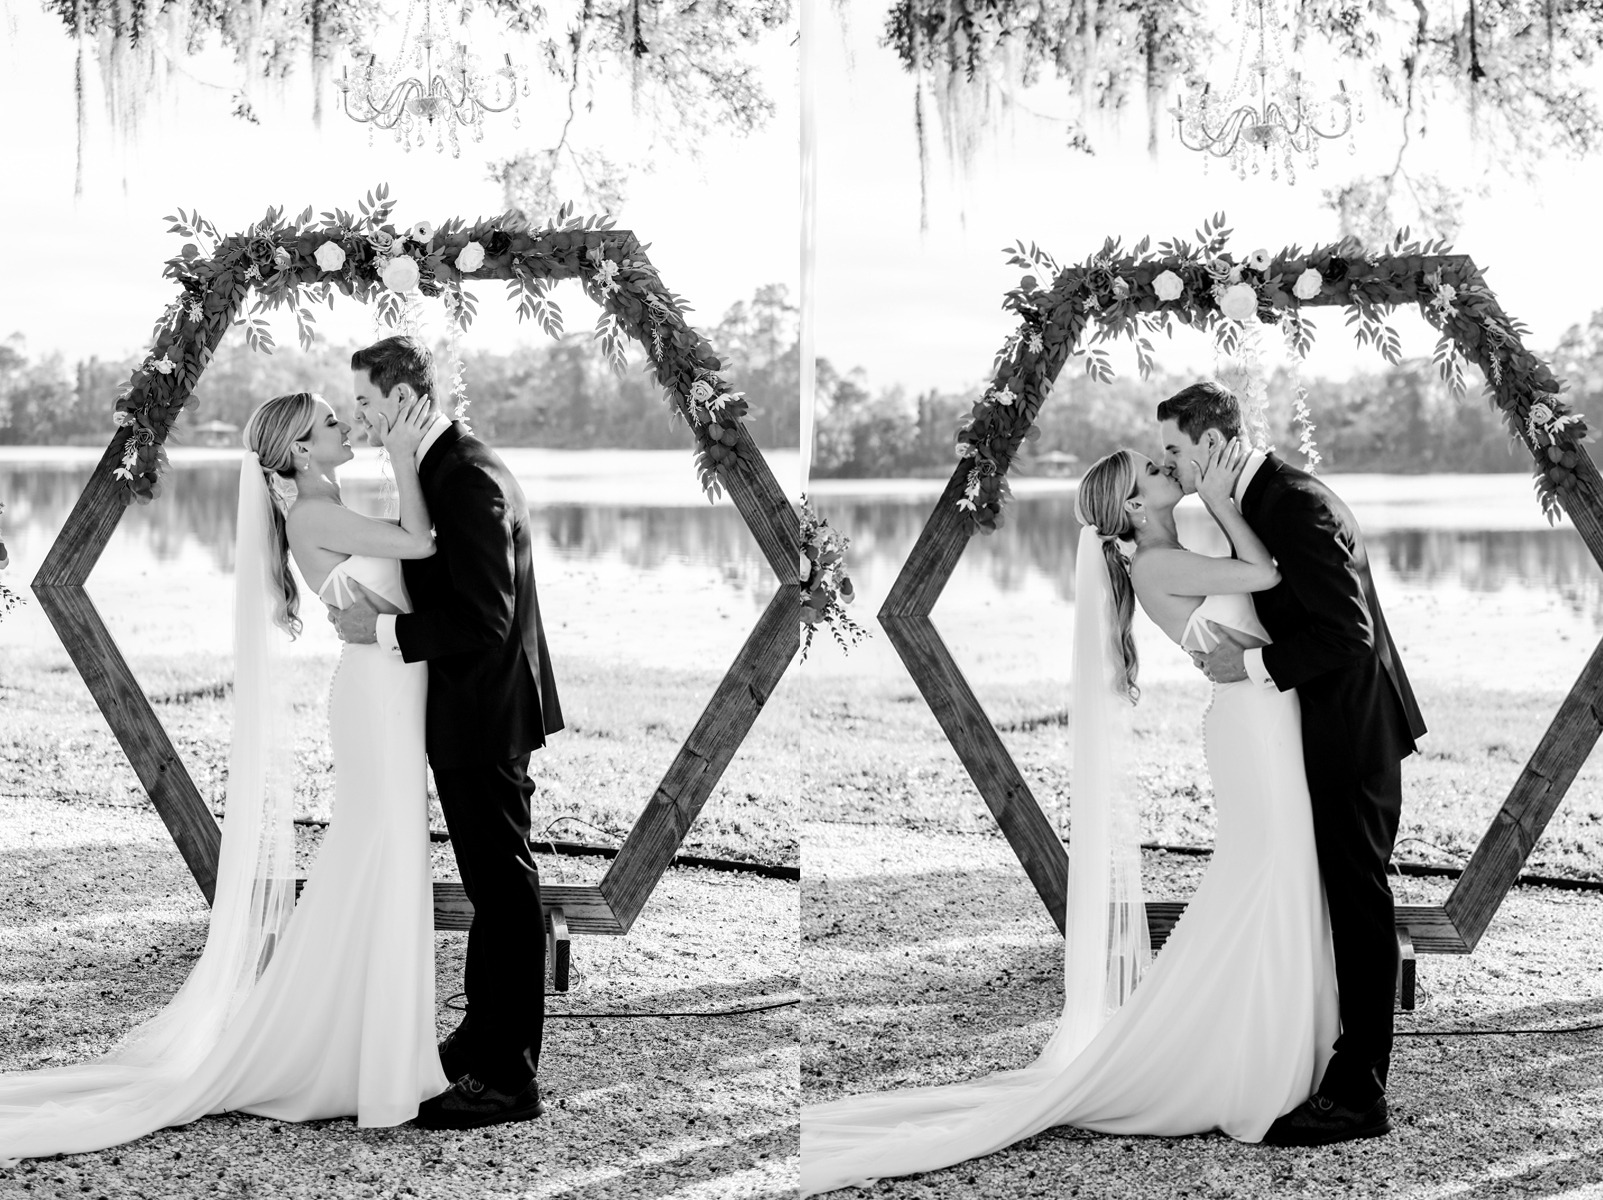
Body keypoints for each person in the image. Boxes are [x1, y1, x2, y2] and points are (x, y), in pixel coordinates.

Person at [801, 434, 1342, 1195]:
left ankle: (1275, 1042)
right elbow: (1262, 572)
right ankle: (1248, 1057)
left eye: (1160, 462)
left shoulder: (1176, 543)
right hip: (1252, 724)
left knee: (1276, 873)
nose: (1164, 471)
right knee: (1270, 870)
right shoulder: (1155, 562)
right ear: (1128, 506)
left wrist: (1223, 500)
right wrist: (1222, 501)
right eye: (1151, 472)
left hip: (1265, 714)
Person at [0, 389, 448, 1160]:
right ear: (301, 452)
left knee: (387, 855)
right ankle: (349, 1054)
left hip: (391, 688)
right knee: (375, 852)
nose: (345, 427)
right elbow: (420, 541)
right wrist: (407, 457)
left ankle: (369, 1047)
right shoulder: (313, 513)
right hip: (376, 697)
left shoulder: (328, 497)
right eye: (331, 424)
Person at [1164, 381, 1426, 1144]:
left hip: (1352, 734)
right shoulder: (1259, 503)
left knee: (1357, 902)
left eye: (1177, 451)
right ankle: (1324, 1060)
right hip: (1326, 730)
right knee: (1340, 895)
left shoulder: (1293, 505)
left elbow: (1347, 635)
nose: (1172, 466)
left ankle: (1358, 1095)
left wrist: (1244, 670)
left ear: (1213, 443)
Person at [330, 335, 563, 1130]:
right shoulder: (438, 465)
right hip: (472, 704)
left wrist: (382, 633)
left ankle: (511, 1077)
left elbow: (484, 615)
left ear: (400, 397)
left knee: (503, 886)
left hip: (484, 708)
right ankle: (478, 1035)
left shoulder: (463, 476)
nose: (357, 417)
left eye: (364, 400)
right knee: (490, 882)